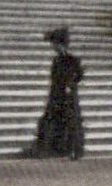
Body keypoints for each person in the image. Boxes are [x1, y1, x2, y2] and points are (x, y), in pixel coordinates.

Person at [29, 25, 85, 160]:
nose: (54, 47)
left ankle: (74, 150)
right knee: (50, 120)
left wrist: (70, 85)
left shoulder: (73, 60)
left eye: (55, 44)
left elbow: (79, 75)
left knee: (72, 123)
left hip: (68, 97)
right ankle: (48, 148)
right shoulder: (57, 60)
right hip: (56, 95)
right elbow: (54, 79)